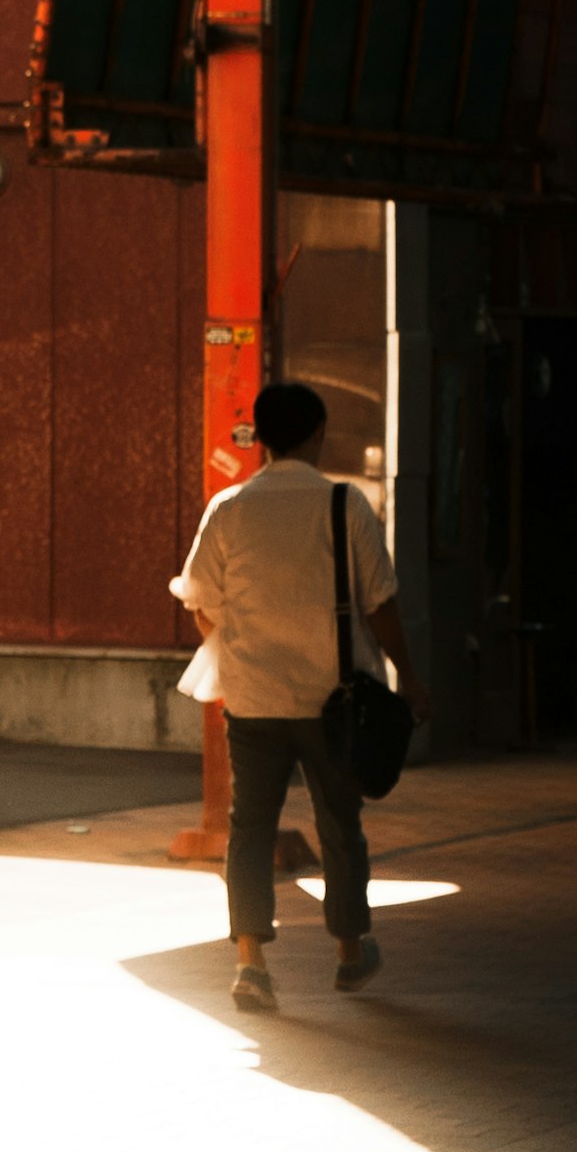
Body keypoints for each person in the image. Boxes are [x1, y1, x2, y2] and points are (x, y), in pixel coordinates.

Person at [172, 378, 407, 1011]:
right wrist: (410, 674)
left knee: (249, 827)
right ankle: (351, 951)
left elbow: (199, 602)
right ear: (317, 434)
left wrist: (247, 642)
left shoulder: (229, 507)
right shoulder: (345, 505)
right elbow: (381, 602)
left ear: (261, 439)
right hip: (334, 700)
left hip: (252, 698)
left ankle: (251, 963)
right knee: (340, 822)